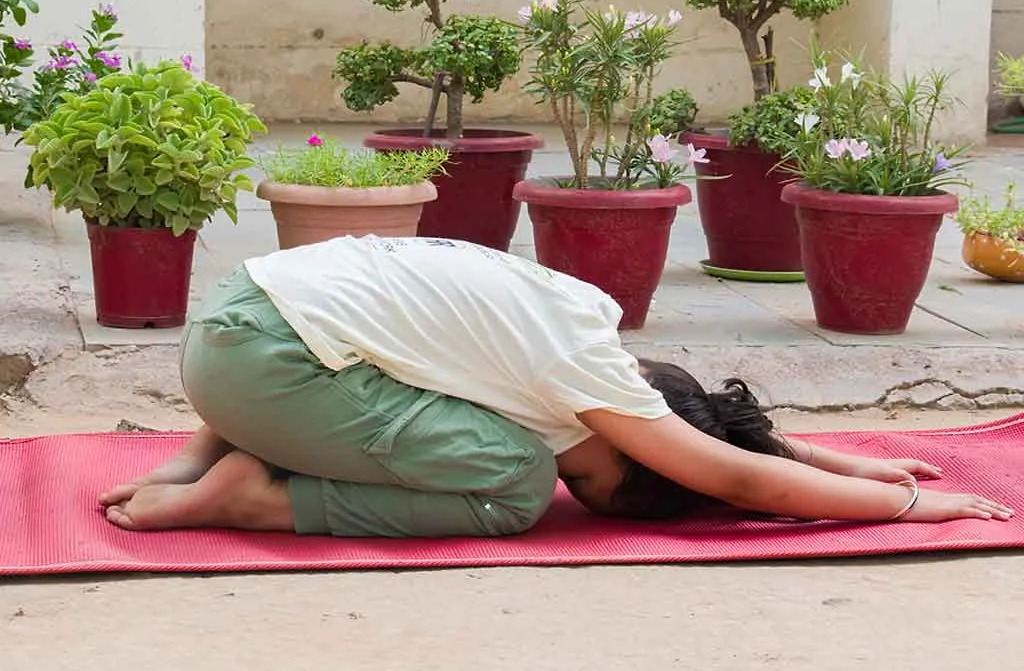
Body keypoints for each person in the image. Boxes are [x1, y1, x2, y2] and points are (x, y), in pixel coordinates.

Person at [100, 236, 1013, 537]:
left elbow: (732, 447)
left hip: (233, 324)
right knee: (510, 485)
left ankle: (197, 461)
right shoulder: (580, 379)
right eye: (595, 480)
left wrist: (857, 461)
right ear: (639, 433)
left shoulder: (579, 321)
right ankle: (251, 499)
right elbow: (732, 478)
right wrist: (899, 509)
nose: (572, 471)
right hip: (266, 369)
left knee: (412, 385)